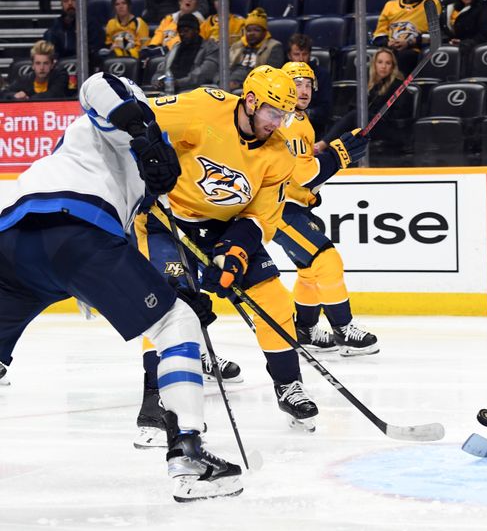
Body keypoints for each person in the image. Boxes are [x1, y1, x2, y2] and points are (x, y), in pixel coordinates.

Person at [0, 71, 242, 501]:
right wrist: (144, 128)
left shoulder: (118, 168)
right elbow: (99, 83)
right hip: (75, 232)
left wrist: (175, 289)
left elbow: (131, 244)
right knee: (176, 324)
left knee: (175, 308)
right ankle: (188, 453)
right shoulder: (122, 118)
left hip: (14, 238)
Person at [132, 66, 368, 444]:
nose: (279, 123)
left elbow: (262, 216)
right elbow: (137, 114)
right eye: (274, 113)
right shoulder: (205, 108)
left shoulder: (277, 154)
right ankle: (155, 398)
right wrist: (143, 158)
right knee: (170, 306)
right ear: (252, 100)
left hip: (227, 227)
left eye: (286, 115)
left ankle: (289, 386)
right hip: (169, 218)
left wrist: (236, 252)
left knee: (273, 299)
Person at [277, 61, 375, 357]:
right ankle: (343, 328)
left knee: (309, 271)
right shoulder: (291, 123)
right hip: (280, 208)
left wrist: (327, 150)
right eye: (297, 84)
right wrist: (340, 155)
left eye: (308, 84)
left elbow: (300, 162)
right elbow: (304, 175)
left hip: (291, 206)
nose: (303, 90)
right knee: (327, 260)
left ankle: (305, 330)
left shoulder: (297, 120)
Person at [316, 48, 411, 152]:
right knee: (348, 118)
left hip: (387, 127)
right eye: (380, 62)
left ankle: (322, 144)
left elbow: (399, 115)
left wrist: (371, 115)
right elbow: (353, 105)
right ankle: (330, 150)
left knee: (355, 115)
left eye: (388, 63)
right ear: (374, 64)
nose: (383, 66)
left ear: (392, 66)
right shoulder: (368, 84)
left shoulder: (398, 86)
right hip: (367, 125)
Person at [372, 0, 442, 76]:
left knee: (404, 56)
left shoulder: (431, 3)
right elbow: (378, 36)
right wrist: (388, 43)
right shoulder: (390, 5)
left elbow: (435, 35)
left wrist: (409, 43)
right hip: (391, 49)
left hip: (415, 50)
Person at [154, 14, 219, 93]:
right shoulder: (176, 48)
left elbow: (203, 74)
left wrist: (178, 83)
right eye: (180, 31)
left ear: (196, 30)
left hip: (196, 91)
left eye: (186, 31)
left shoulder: (210, 48)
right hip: (171, 90)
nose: (182, 34)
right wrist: (157, 81)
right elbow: (160, 71)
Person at [227, 7, 284, 91]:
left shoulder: (274, 47)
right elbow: (221, 68)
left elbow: (269, 76)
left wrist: (240, 85)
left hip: (253, 88)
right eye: (249, 30)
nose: (251, 34)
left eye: (256, 30)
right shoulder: (237, 45)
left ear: (265, 32)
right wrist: (220, 82)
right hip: (228, 83)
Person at [286, 33, 330, 138]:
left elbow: (325, 109)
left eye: (304, 54)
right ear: (289, 55)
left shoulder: (321, 75)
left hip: (313, 127)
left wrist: (302, 113)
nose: (301, 58)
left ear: (310, 55)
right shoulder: (282, 74)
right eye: (297, 54)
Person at [1, 40, 68, 101]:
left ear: (52, 65)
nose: (42, 68)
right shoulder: (25, 80)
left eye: (46, 63)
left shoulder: (61, 75)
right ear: (33, 65)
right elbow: (4, 94)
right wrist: (15, 95)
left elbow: (54, 94)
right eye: (38, 63)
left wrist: (28, 100)